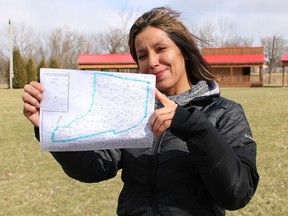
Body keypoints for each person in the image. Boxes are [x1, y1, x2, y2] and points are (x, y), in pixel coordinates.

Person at [22, 7, 259, 216]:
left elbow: (237, 193)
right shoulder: (133, 110)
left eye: (161, 48)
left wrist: (193, 128)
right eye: (142, 55)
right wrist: (48, 126)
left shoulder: (225, 112)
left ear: (184, 51)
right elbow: (95, 168)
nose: (152, 62)